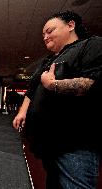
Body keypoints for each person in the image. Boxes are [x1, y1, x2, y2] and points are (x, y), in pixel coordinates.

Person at [13, 11, 102, 189]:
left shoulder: (91, 45)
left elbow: (92, 84)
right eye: (43, 34)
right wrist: (23, 112)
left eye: (49, 31)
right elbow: (32, 90)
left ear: (70, 25)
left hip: (74, 144)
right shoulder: (48, 60)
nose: (45, 37)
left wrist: (53, 85)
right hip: (48, 143)